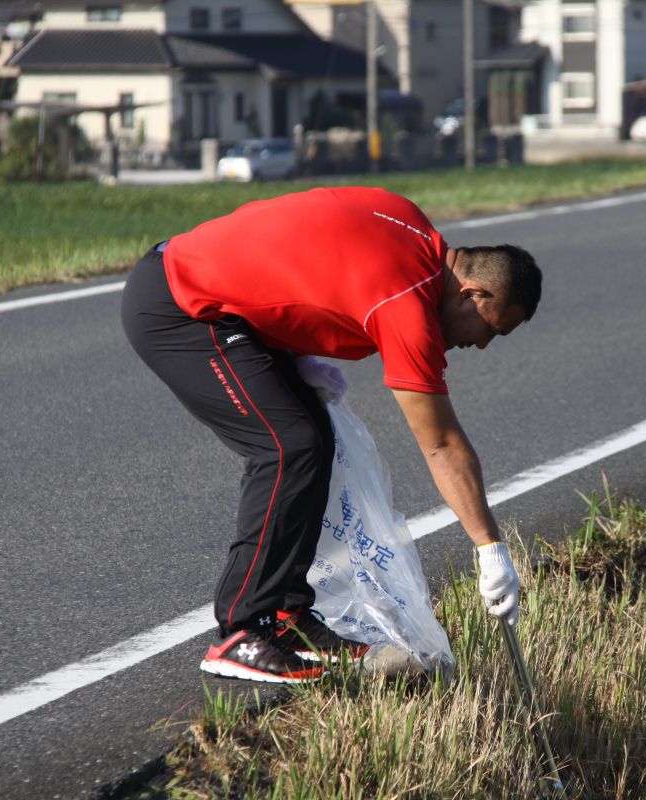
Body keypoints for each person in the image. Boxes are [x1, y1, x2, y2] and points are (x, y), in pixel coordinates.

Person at [120, 186, 542, 684]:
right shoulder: (407, 305)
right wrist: (489, 548)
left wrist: (294, 335)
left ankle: (285, 616)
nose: (481, 344)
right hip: (179, 305)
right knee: (286, 446)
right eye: (491, 329)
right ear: (473, 293)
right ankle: (240, 632)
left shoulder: (411, 221)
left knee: (311, 440)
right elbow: (441, 443)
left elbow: (305, 235)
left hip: (208, 285)